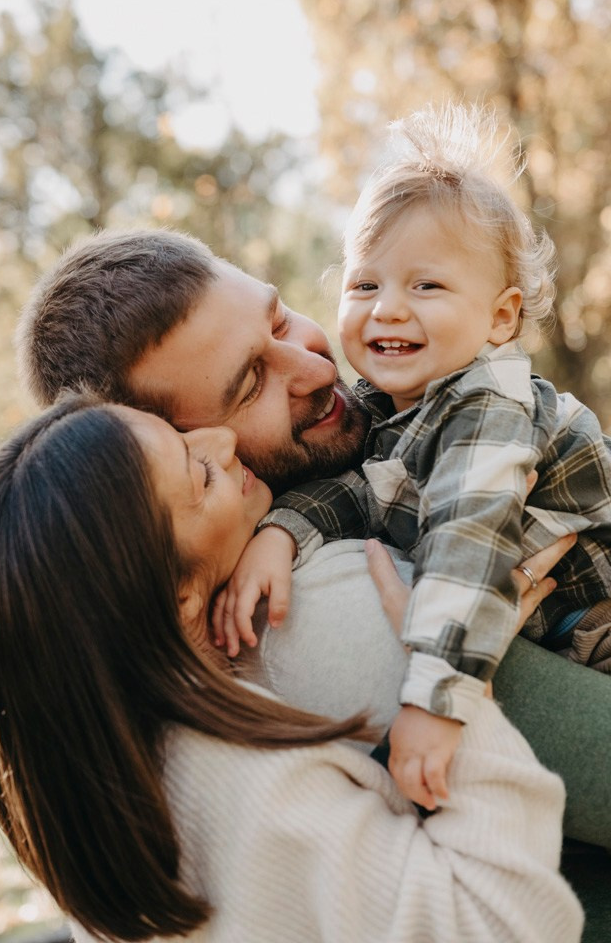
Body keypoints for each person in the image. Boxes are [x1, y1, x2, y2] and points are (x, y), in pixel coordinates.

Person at [15, 223, 611, 850]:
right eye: (249, 386)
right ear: (170, 451)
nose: (315, 368)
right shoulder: (317, 607)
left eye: (278, 321)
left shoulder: (401, 422)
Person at [0, 391, 583, 943]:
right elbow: (514, 925)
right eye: (199, 472)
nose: (222, 440)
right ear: (177, 599)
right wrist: (450, 680)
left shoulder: (110, 806)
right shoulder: (247, 784)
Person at [217, 103, 611, 810]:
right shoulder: (383, 409)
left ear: (499, 316)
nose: (388, 309)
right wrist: (284, 530)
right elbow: (362, 489)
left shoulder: (489, 403)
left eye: (426, 286)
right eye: (365, 284)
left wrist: (435, 699)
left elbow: (470, 540)